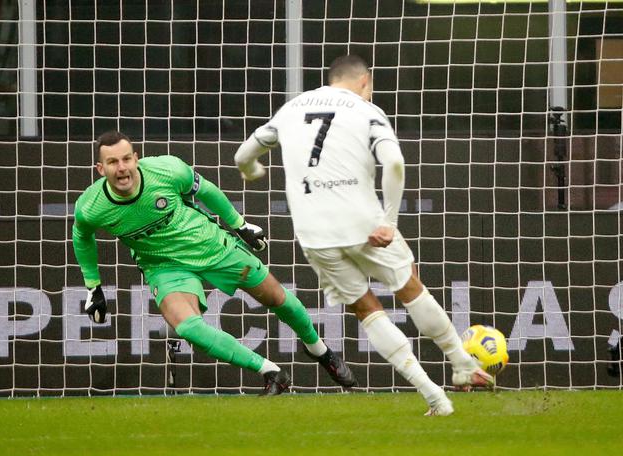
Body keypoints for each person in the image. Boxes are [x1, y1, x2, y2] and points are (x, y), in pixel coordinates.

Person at [234, 55, 492, 415]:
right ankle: (462, 364)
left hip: (315, 233)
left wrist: (252, 170)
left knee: (367, 310)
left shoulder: (291, 108)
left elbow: (243, 154)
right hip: (365, 224)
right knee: (409, 286)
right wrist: (389, 220)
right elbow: (396, 163)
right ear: (364, 82)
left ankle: (433, 395)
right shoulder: (365, 110)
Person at [72, 130, 356, 396]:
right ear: (101, 169)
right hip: (164, 267)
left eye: (126, 159)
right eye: (112, 162)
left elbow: (205, 190)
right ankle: (271, 372)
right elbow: (82, 237)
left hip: (212, 247)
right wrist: (93, 287)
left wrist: (240, 225)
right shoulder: (91, 206)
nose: (121, 168)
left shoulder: (167, 170)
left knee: (277, 298)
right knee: (188, 327)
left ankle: (319, 350)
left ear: (136, 158)